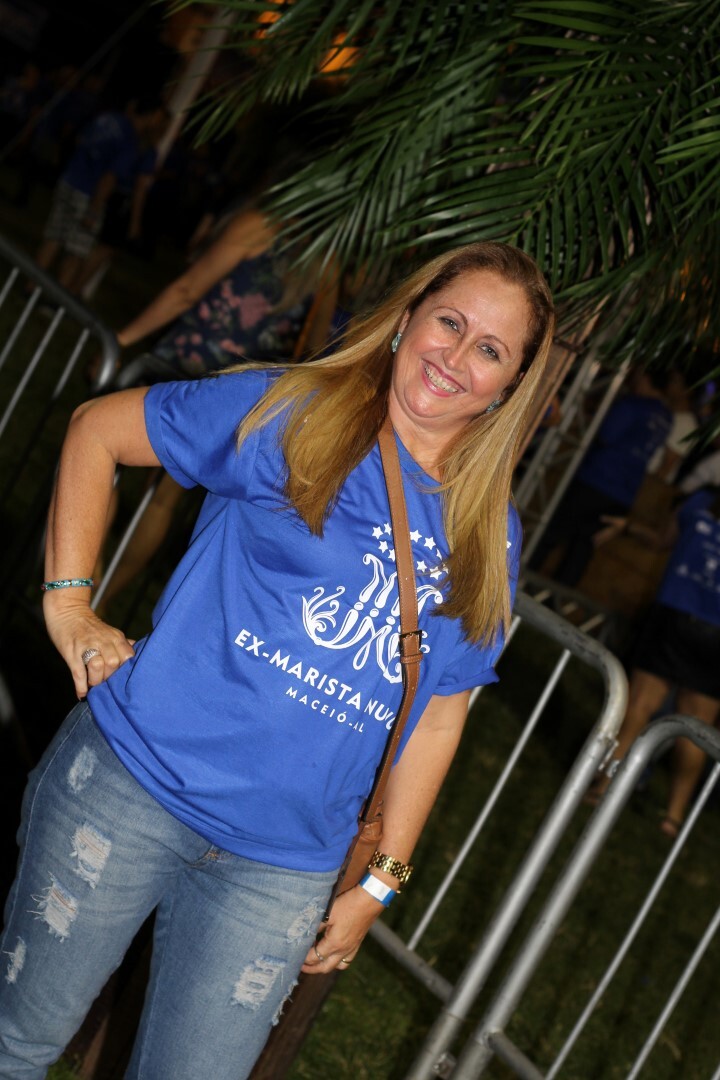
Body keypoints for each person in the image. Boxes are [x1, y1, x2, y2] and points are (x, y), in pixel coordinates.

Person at [0, 241, 555, 1078]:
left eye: (490, 349)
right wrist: (69, 605)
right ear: (406, 318)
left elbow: (441, 712)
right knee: (18, 1045)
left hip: (283, 867)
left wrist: (381, 884)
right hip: (133, 790)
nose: (455, 356)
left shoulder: (488, 530)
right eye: (449, 321)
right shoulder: (294, 411)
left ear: (509, 387)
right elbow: (97, 430)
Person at [587, 486, 720, 835]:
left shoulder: (701, 502)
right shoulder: (700, 502)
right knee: (697, 726)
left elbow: (662, 540)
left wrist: (629, 527)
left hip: (675, 617)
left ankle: (603, 787)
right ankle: (673, 818)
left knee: (641, 705)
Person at [529, 367, 673, 587]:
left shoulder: (632, 404)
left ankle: (523, 583)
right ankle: (554, 598)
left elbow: (606, 433)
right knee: (583, 548)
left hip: (597, 479)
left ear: (646, 377)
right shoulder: (666, 416)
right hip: (625, 491)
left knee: (553, 533)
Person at [34, 97, 167, 293]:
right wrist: (94, 210)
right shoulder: (129, 139)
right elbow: (109, 178)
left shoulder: (107, 119)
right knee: (76, 251)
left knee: (54, 237)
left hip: (69, 179)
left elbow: (80, 139)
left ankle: (31, 286)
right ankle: (55, 299)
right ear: (151, 116)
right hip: (87, 193)